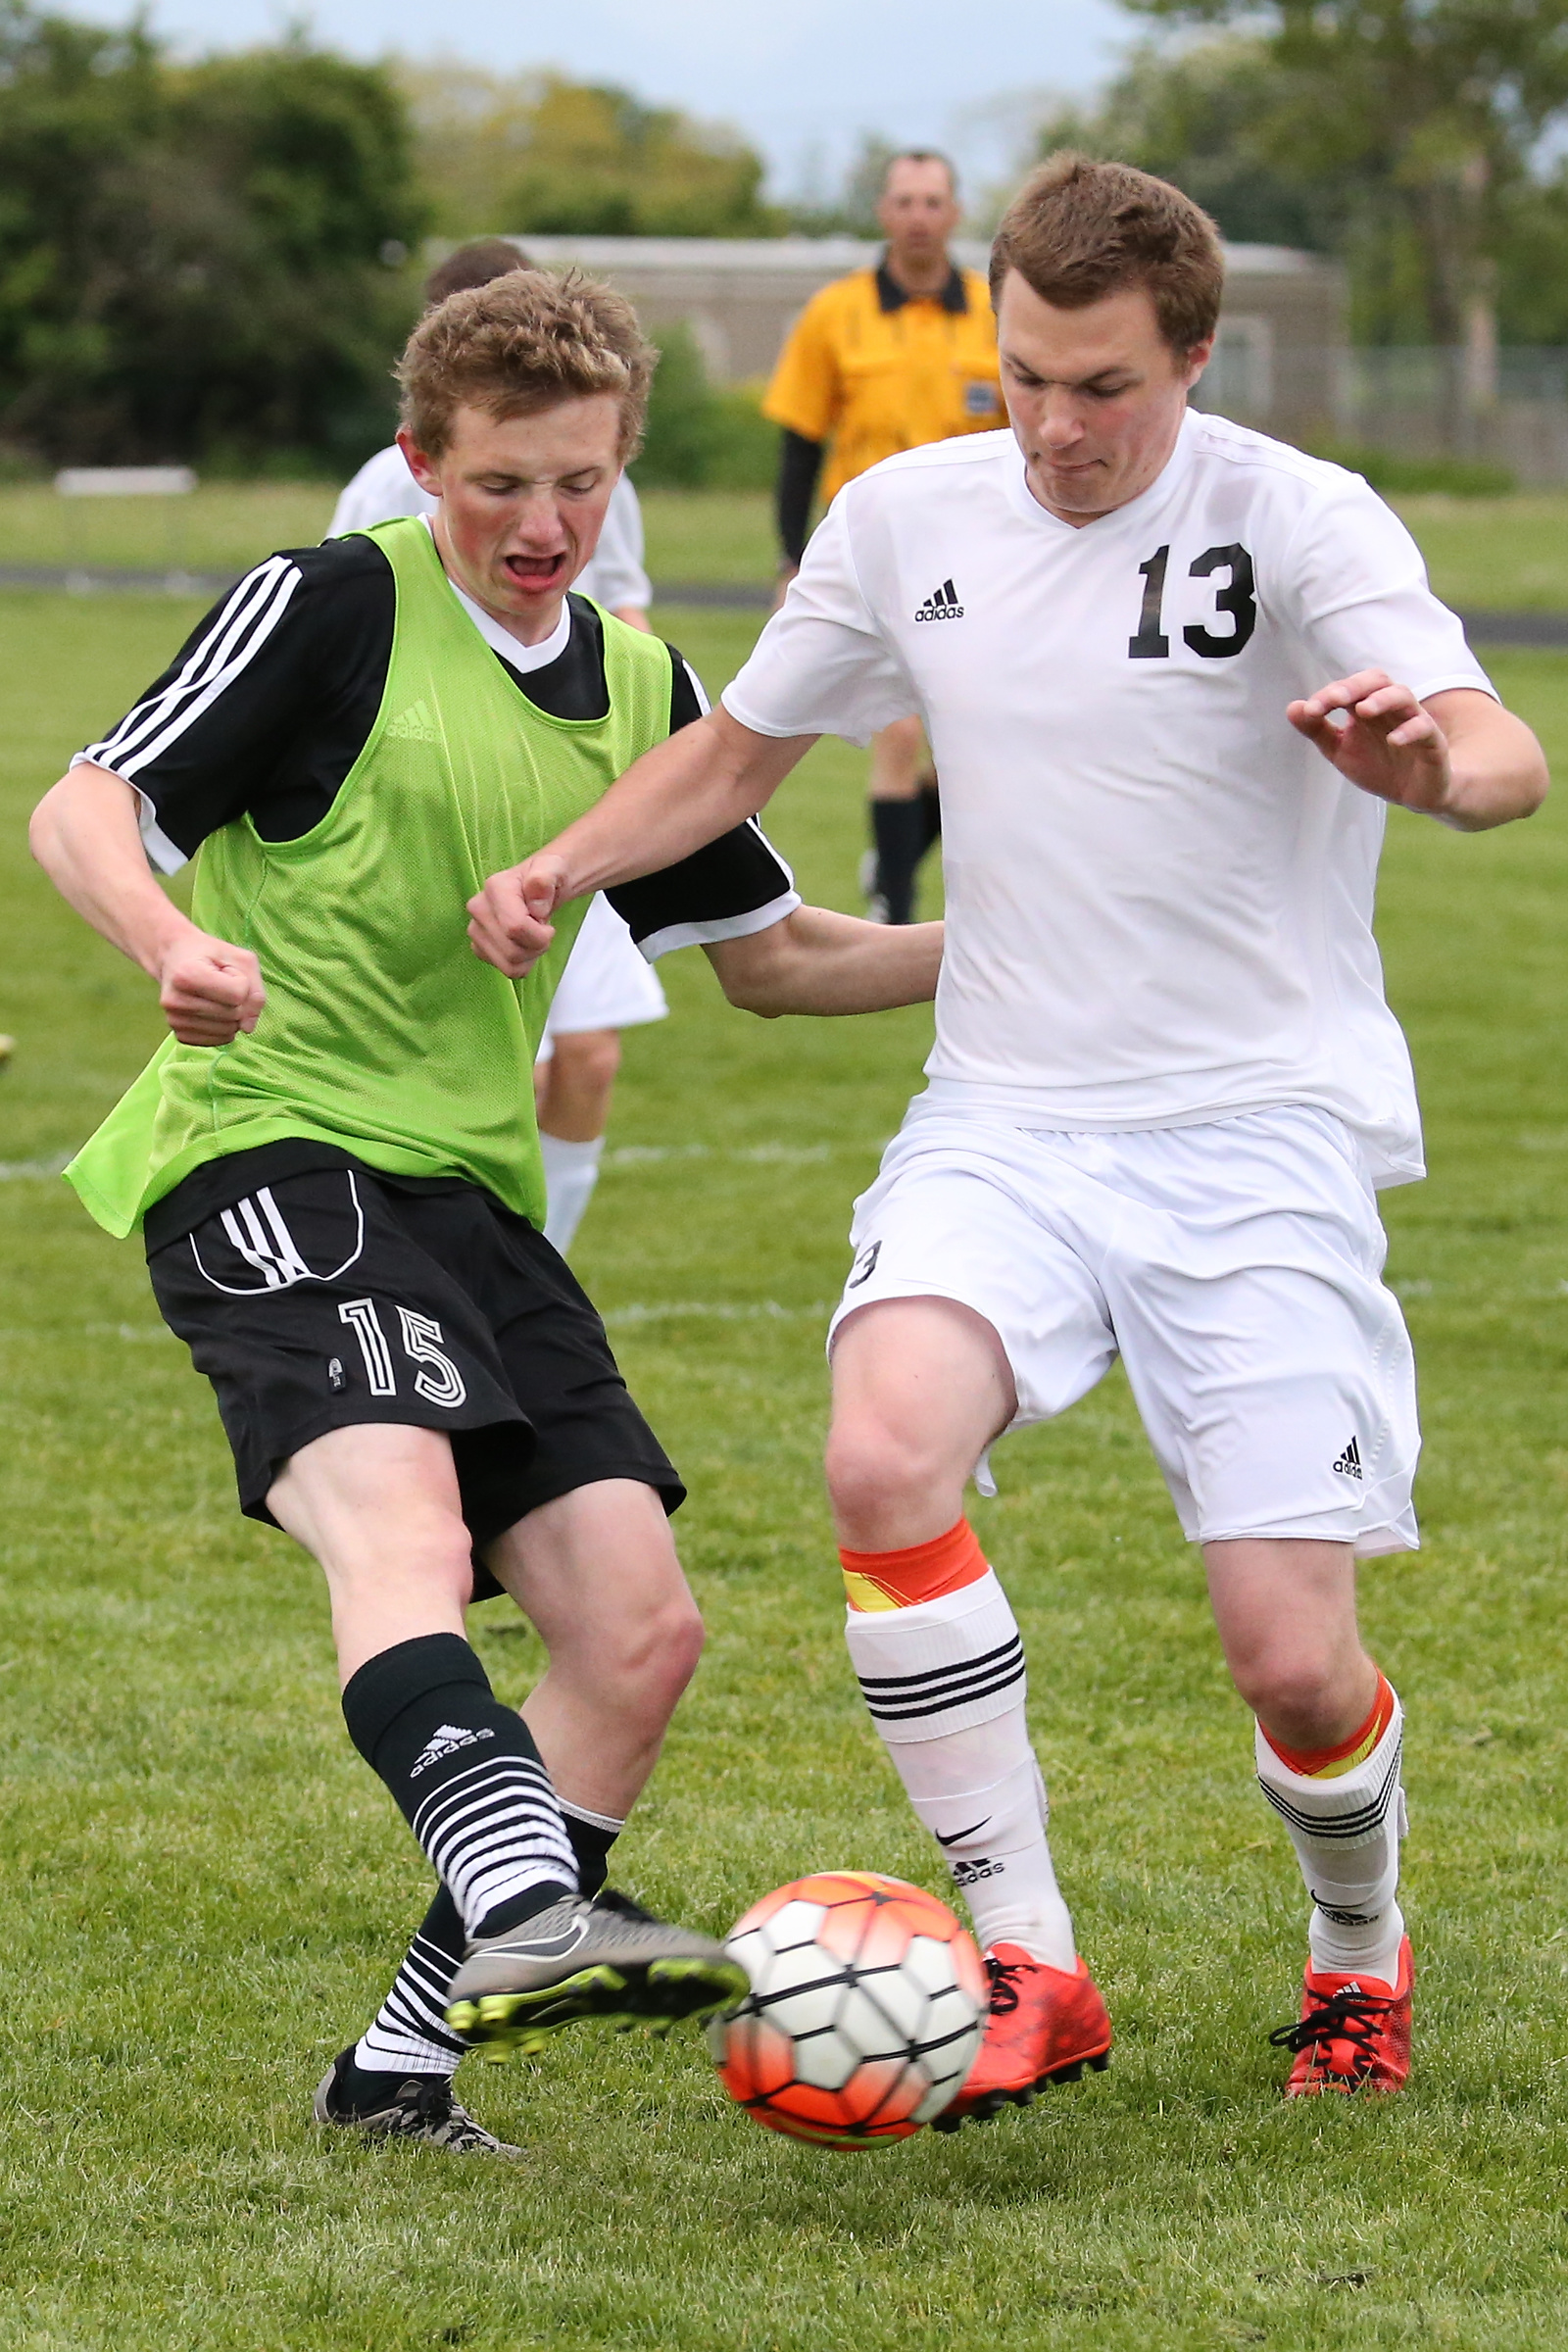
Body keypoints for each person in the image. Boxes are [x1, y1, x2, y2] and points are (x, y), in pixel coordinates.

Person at [472, 155, 1549, 2121]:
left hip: (1255, 1136)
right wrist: (566, 861)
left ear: (1193, 361)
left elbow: (1499, 750)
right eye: (1023, 379)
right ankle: (1029, 1957)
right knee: (880, 1452)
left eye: (1101, 387)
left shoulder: (1296, 515)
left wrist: (1429, 768)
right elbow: (736, 752)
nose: (1055, 427)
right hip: (1006, 1114)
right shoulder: (906, 517)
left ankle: (1354, 1944)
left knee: (1290, 1661)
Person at [29, 268, 941, 2155]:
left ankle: (398, 2069)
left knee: (637, 1632)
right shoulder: (329, 603)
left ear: (625, 473)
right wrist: (170, 938)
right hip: (268, 1148)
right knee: (406, 1526)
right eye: (502, 484)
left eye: (582, 486)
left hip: (472, 1195)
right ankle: (533, 1903)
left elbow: (775, 960)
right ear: (423, 460)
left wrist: (1022, 939)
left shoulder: (638, 690)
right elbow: (81, 810)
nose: (543, 526)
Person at [332, 237, 665, 1255]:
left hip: (572, 807)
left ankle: (538, 1265)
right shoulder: (378, 496)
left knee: (590, 1059)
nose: (544, 522)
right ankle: (469, 1267)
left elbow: (625, 604)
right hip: (440, 815)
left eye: (577, 484)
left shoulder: (594, 463)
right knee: (504, 1065)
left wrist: (648, 734)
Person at [762, 151, 1001, 926]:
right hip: (877, 553)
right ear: (883, 212)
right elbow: (800, 444)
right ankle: (897, 911)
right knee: (898, 730)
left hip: (981, 550)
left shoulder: (998, 312)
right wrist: (791, 557)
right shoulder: (836, 313)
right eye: (905, 201)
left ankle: (893, 861)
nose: (919, 216)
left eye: (933, 201)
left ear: (955, 212)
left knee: (975, 737)